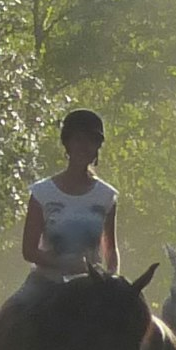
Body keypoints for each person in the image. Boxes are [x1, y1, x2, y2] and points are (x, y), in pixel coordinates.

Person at [22, 105, 120, 284]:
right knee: (14, 309)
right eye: (78, 140)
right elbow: (29, 250)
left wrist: (111, 277)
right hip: (47, 281)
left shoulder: (106, 196)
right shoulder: (42, 193)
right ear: (67, 144)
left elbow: (110, 250)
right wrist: (62, 264)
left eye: (91, 141)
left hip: (92, 283)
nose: (84, 147)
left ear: (97, 147)